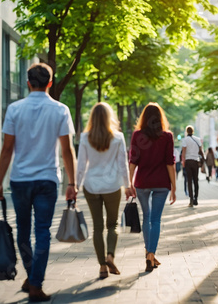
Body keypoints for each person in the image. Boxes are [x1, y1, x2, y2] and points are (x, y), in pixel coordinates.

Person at [0, 63, 76, 302]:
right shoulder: (60, 110)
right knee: (42, 232)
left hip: (20, 180)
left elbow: (7, 149)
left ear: (28, 83)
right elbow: (67, 150)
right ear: (50, 83)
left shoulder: (15, 109)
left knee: (23, 233)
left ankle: (32, 277)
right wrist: (72, 183)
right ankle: (35, 283)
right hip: (48, 180)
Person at [76, 102, 133, 279]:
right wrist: (128, 185)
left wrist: (75, 186)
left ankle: (102, 266)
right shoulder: (118, 137)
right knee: (112, 225)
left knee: (97, 227)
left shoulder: (85, 137)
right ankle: (110, 255)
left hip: (91, 186)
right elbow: (123, 164)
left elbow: (80, 166)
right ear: (109, 118)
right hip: (112, 186)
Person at [128, 103, 176, 272]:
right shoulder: (167, 136)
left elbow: (133, 161)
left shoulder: (137, 135)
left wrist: (129, 183)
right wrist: (174, 187)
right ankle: (151, 254)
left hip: (142, 183)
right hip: (162, 183)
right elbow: (170, 163)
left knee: (146, 217)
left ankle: (149, 253)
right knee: (155, 219)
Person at [181, 125, 203, 207]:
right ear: (193, 131)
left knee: (189, 181)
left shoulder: (185, 140)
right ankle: (196, 199)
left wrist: (183, 162)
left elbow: (183, 152)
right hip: (196, 161)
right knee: (196, 180)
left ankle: (191, 200)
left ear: (187, 131)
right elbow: (201, 150)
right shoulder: (197, 139)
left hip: (188, 161)